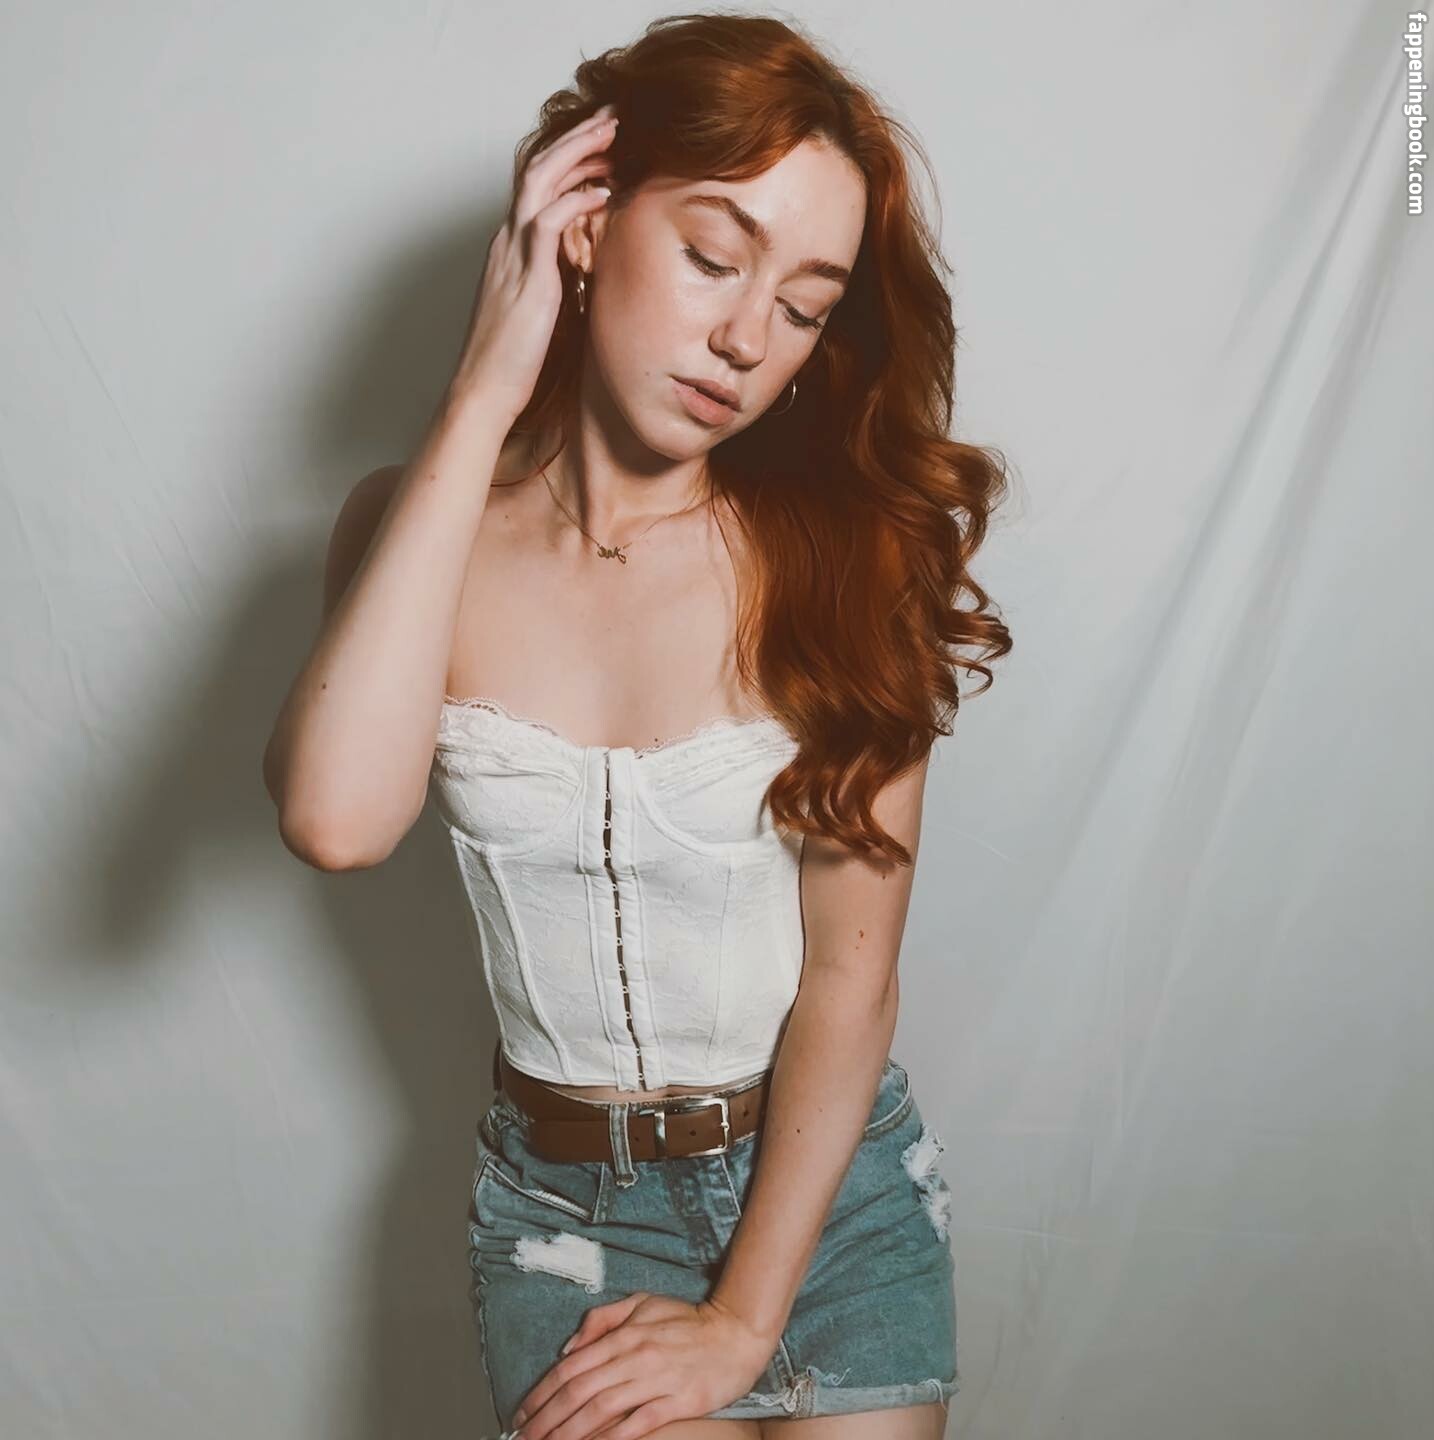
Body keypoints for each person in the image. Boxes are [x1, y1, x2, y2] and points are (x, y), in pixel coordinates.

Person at [263, 13, 1011, 1438]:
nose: (747, 337)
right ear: (588, 221)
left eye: (804, 306)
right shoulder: (411, 530)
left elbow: (851, 981)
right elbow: (335, 822)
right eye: (715, 256)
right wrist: (487, 385)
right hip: (565, 1216)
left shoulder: (855, 560)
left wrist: (743, 1319)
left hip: (828, 1192)